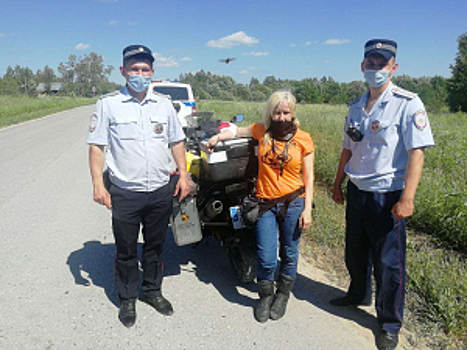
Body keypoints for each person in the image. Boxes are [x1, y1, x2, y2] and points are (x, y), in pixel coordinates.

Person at [331, 39, 435, 350]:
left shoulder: (407, 103)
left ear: (394, 67)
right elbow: (348, 148)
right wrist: (337, 184)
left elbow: (417, 153)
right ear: (363, 66)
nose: (376, 68)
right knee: (355, 250)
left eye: (383, 62)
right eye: (371, 62)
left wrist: (408, 198)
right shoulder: (355, 106)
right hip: (358, 190)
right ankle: (357, 294)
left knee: (389, 264)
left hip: (387, 196)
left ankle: (389, 323)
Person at [87, 45, 190, 328]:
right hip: (125, 192)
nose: (140, 74)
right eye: (134, 69)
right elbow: (97, 146)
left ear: (153, 73)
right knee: (127, 249)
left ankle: (152, 291)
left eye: (145, 69)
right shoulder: (108, 104)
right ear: (123, 71)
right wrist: (98, 184)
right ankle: (127, 298)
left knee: (156, 246)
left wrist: (182, 174)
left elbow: (176, 142)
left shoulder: (164, 104)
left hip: (159, 190)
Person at [205, 90, 315, 323]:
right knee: (266, 256)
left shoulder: (304, 138)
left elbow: (310, 177)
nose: (282, 117)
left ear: (293, 113)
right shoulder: (261, 131)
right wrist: (216, 138)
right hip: (265, 204)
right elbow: (235, 130)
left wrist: (307, 209)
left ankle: (283, 294)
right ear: (270, 112)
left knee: (289, 252)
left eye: (286, 113)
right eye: (277, 112)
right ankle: (265, 295)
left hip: (294, 203)